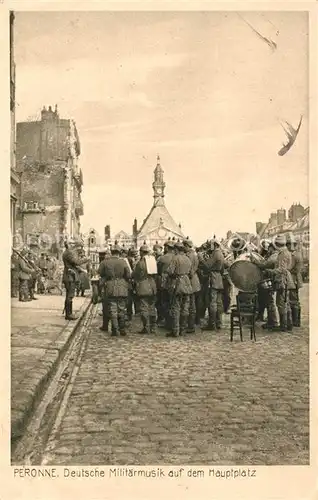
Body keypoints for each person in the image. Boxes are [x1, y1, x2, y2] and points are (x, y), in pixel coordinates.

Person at [98, 244, 131, 336]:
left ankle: (115, 330)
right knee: (121, 309)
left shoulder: (105, 262)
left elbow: (100, 273)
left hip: (110, 287)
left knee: (112, 309)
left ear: (111, 252)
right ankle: (122, 329)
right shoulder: (123, 262)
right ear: (119, 253)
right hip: (122, 287)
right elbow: (128, 275)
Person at [165, 241, 192, 337]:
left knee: (176, 307)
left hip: (177, 283)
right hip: (187, 282)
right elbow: (190, 271)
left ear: (176, 249)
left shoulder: (175, 258)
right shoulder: (188, 259)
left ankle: (175, 330)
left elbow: (170, 271)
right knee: (185, 308)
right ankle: (183, 329)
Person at [199, 238, 224, 331]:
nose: (210, 246)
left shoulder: (216, 253)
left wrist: (201, 259)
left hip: (213, 278)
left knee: (212, 302)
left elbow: (207, 266)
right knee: (218, 302)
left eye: (211, 245)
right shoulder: (220, 253)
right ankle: (219, 322)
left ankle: (212, 324)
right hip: (219, 278)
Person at [132, 245, 158, 334]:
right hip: (152, 286)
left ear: (142, 252)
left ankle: (146, 327)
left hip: (143, 286)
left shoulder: (140, 263)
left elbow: (135, 274)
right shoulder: (153, 260)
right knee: (152, 307)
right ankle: (153, 327)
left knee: (144, 307)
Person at [62, 239, 88, 321]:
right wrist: (86, 259)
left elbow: (73, 265)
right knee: (70, 295)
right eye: (72, 244)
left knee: (69, 295)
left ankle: (68, 313)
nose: (75, 246)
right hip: (70, 277)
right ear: (69, 244)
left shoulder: (68, 252)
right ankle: (69, 314)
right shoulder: (69, 252)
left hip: (69, 275)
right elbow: (76, 262)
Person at [157, 240, 175, 329]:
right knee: (173, 303)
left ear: (167, 248)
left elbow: (158, 270)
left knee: (164, 302)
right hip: (175, 283)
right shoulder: (176, 257)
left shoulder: (162, 258)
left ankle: (167, 322)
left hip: (164, 283)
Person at [183, 239, 201, 333]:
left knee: (189, 305)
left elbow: (189, 270)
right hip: (195, 280)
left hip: (190, 281)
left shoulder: (189, 256)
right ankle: (191, 325)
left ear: (186, 246)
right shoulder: (194, 254)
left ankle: (190, 325)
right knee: (192, 304)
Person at [287, 236, 303, 327]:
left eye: (289, 244)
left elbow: (295, 269)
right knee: (293, 300)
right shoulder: (296, 254)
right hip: (294, 279)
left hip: (294, 280)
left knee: (294, 300)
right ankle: (295, 320)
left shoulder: (295, 255)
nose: (288, 247)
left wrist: (286, 270)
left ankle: (296, 321)